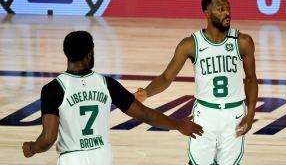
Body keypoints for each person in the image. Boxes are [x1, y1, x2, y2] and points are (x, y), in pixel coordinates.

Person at [22, 31, 203, 165]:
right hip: (102, 156)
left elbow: (48, 138)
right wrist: (178, 124)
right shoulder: (106, 83)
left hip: (72, 158)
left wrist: (33, 147)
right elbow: (146, 115)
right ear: (89, 54)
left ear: (66, 54)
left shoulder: (53, 89)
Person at [134, 0, 258, 165]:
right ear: (207, 13)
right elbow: (166, 77)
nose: (227, 13)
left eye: (228, 8)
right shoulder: (191, 44)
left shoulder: (242, 41)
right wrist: (146, 93)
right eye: (220, 9)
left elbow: (251, 79)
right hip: (205, 114)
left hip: (234, 113)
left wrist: (251, 113)